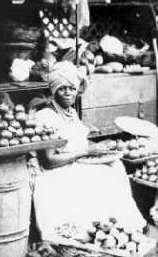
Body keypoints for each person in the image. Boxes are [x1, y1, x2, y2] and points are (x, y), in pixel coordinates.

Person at [29, 61, 147, 245]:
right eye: (62, 89)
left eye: (72, 88)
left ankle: (118, 230)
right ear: (53, 90)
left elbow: (77, 142)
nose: (68, 93)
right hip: (54, 172)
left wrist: (102, 146)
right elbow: (48, 161)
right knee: (101, 177)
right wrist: (86, 152)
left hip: (73, 162)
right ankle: (96, 232)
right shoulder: (46, 116)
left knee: (116, 166)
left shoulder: (70, 112)